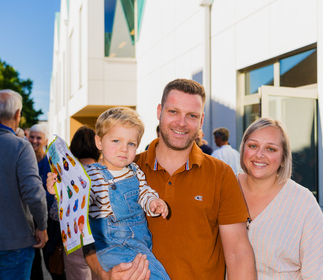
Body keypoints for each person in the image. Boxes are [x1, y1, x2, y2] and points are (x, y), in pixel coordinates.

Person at [85, 79, 256, 279]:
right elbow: (87, 238)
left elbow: (238, 253)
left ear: (201, 121)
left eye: (192, 115)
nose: (181, 123)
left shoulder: (221, 173)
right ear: (159, 112)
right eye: (173, 112)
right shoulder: (124, 170)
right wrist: (105, 275)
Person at [48, 108, 170, 279]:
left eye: (131, 144)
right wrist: (59, 192)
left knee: (157, 274)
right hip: (109, 244)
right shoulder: (89, 175)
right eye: (116, 141)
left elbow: (144, 192)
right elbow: (77, 204)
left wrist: (152, 202)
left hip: (139, 243)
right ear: (99, 142)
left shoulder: (135, 171)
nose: (124, 149)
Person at [238, 117, 323, 279]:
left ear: (283, 158)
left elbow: (322, 269)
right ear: (243, 149)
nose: (259, 154)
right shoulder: (224, 189)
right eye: (253, 146)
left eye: (271, 149)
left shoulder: (302, 201)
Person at [0, 89, 48, 280]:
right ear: (17, 114)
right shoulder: (20, 146)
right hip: (16, 245)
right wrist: (42, 226)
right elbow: (34, 194)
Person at [63, 126, 101, 280]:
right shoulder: (107, 174)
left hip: (75, 240)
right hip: (101, 240)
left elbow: (55, 213)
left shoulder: (67, 177)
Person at [29, 124, 66, 280]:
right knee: (33, 263)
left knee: (51, 259)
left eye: (39, 138)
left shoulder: (51, 162)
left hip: (49, 219)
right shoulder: (24, 159)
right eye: (32, 136)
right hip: (29, 218)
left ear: (46, 141)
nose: (34, 140)